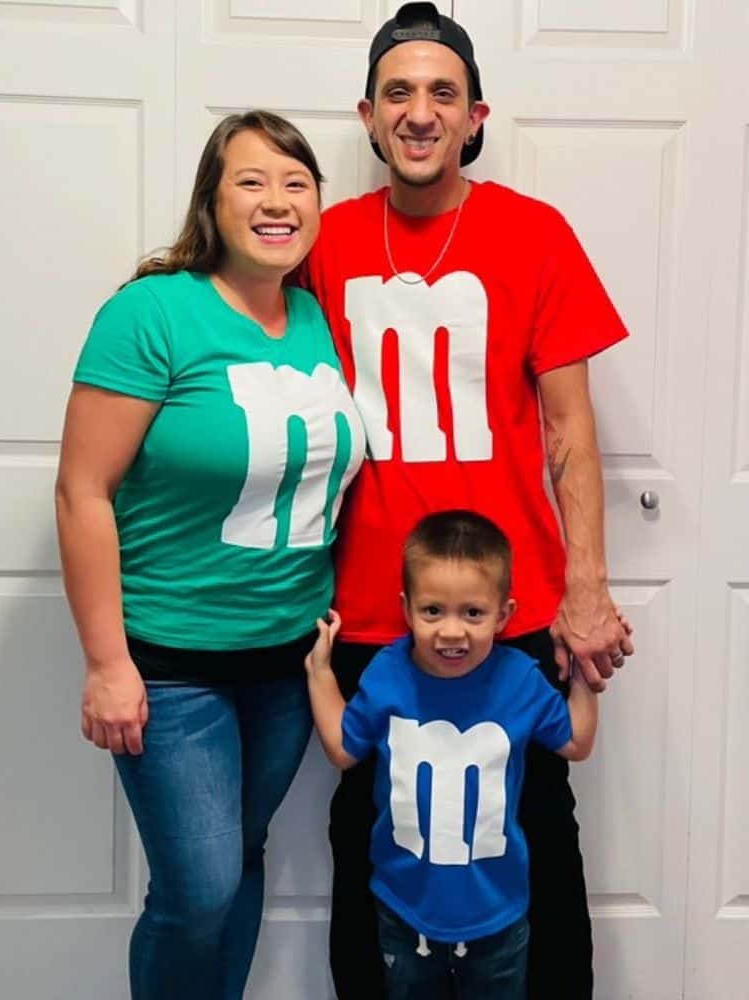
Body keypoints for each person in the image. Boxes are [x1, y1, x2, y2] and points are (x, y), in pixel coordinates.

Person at [300, 3, 634, 997]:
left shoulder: (532, 234)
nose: (418, 111)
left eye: (440, 92)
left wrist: (586, 589)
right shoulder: (321, 241)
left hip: (510, 604)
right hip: (371, 604)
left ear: (474, 114)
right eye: (397, 92)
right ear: (366, 116)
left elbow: (571, 433)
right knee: (370, 834)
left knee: (532, 826)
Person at [55, 110, 365, 1000]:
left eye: (297, 182)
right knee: (198, 891)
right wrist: (107, 663)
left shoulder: (313, 317)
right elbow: (82, 493)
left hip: (286, 664)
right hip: (171, 667)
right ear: (211, 201)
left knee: (242, 859)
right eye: (252, 181)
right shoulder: (153, 312)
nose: (278, 201)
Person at [305, 510, 601, 1000]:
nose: (451, 632)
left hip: (500, 917)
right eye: (432, 611)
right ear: (407, 608)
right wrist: (320, 674)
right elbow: (342, 748)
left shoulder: (521, 678)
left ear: (503, 614)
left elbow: (575, 741)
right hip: (404, 913)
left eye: (472, 613)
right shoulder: (387, 674)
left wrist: (586, 676)